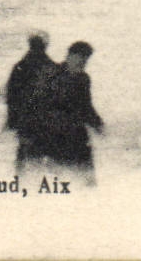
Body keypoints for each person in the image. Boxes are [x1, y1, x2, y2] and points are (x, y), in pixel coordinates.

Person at [43, 41, 104, 185]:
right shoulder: (52, 75)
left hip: (78, 138)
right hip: (55, 137)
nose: (83, 62)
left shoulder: (84, 79)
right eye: (80, 58)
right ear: (70, 56)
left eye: (86, 59)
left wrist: (98, 124)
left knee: (87, 182)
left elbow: (86, 106)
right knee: (59, 181)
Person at [4, 30, 56, 174]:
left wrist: (12, 118)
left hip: (25, 117)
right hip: (43, 118)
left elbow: (11, 94)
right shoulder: (51, 66)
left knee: (24, 150)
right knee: (39, 152)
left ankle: (21, 180)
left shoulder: (20, 66)